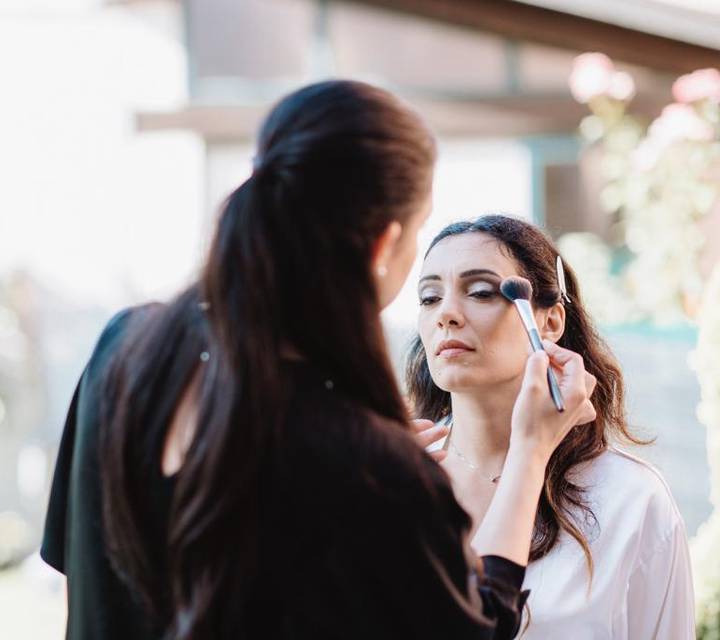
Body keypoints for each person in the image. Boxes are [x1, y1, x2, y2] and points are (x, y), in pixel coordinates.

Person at [41, 81, 597, 640]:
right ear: (383, 245)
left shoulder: (123, 350)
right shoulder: (364, 464)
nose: (446, 313)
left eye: (478, 292)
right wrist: (529, 453)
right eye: (428, 288)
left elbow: (80, 572)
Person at [407, 214, 696, 639]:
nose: (446, 314)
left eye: (482, 292)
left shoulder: (629, 499)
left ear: (551, 322)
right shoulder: (393, 480)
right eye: (429, 298)